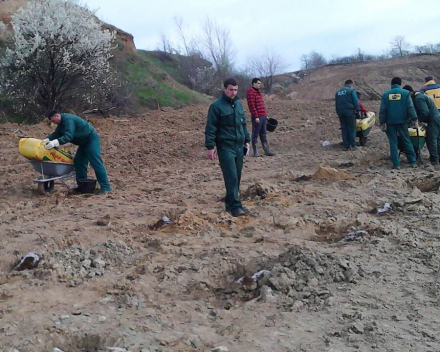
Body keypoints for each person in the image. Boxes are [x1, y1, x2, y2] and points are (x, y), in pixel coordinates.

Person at [205, 78, 250, 217]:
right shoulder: (216, 106)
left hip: (239, 145)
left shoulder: (238, 105)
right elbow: (211, 127)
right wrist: (210, 146)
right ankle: (235, 206)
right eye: (231, 89)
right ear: (224, 89)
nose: (233, 92)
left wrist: (247, 140)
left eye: (236, 90)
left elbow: (243, 124)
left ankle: (231, 203)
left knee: (237, 176)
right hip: (225, 146)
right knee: (231, 176)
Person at [44, 111, 112, 193]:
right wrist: (46, 140)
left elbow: (68, 136)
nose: (53, 123)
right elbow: (56, 134)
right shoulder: (61, 124)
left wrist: (54, 143)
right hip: (83, 142)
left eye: (53, 121)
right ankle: (82, 186)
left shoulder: (69, 120)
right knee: (79, 161)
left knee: (95, 162)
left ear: (57, 116)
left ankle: (106, 187)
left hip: (90, 139)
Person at [379, 77, 418, 169]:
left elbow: (383, 110)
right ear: (400, 84)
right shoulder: (405, 93)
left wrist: (382, 122)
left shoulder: (385, 95)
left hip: (390, 122)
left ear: (391, 84)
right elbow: (410, 107)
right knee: (406, 140)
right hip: (402, 121)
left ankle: (396, 164)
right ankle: (412, 161)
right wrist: (414, 118)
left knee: (393, 142)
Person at [403, 85, 440, 168]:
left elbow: (424, 112)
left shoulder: (419, 98)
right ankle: (438, 158)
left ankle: (434, 160)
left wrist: (418, 120)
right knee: (437, 139)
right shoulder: (420, 96)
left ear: (410, 93)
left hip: (433, 120)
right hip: (436, 118)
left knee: (431, 139)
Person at [246, 78, 275, 157]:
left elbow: (261, 105)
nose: (259, 85)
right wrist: (256, 116)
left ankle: (266, 150)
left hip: (262, 116)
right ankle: (255, 152)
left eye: (260, 83)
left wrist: (265, 115)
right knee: (255, 133)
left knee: (263, 133)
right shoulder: (251, 93)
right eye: (258, 83)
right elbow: (252, 105)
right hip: (257, 116)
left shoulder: (258, 93)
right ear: (253, 84)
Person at [335, 79, 361, 151]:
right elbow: (355, 101)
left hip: (341, 112)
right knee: (351, 128)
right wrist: (358, 110)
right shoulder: (351, 91)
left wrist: (338, 112)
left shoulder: (338, 92)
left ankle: (345, 146)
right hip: (349, 111)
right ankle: (353, 146)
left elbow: (336, 104)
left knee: (344, 129)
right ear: (350, 84)